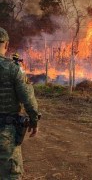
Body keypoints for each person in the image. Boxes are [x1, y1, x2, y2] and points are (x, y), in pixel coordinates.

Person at [0, 27, 40, 179]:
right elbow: (28, 99)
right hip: (5, 133)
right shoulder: (14, 69)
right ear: (7, 45)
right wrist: (34, 121)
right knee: (10, 174)